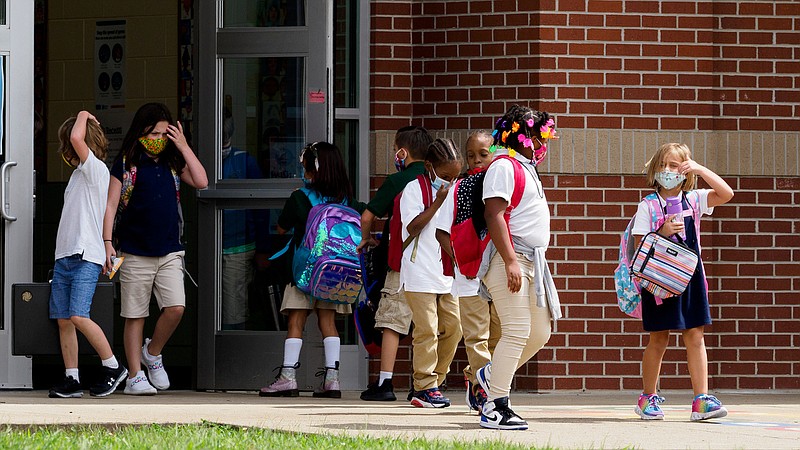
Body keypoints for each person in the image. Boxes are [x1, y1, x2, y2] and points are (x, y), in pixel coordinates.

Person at [102, 103, 208, 395]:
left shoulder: (172, 161)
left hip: (170, 251)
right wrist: (108, 243)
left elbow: (201, 181)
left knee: (176, 307)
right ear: (141, 132)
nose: (159, 138)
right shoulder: (126, 163)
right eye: (154, 133)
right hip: (133, 251)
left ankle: (153, 353)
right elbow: (110, 207)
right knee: (135, 315)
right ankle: (135, 376)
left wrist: (184, 146)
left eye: (165, 133)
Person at [633, 143, 734, 421]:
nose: (668, 171)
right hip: (659, 281)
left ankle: (701, 400)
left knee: (695, 335)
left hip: (690, 278)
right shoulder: (649, 205)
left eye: (675, 165)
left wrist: (701, 169)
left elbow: (726, 193)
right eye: (663, 165)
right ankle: (647, 397)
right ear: (655, 169)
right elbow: (639, 243)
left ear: (685, 170)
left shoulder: (695, 199)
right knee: (659, 338)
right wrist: (662, 231)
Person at [477, 105, 562, 430]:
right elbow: (494, 214)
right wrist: (511, 260)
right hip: (509, 260)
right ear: (519, 136)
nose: (541, 143)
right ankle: (495, 406)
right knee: (515, 330)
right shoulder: (503, 166)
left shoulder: (526, 167)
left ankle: (489, 375)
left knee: (540, 332)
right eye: (536, 136)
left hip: (531, 263)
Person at [259, 142, 364, 398]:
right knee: (328, 322)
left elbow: (282, 228)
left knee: (296, 321)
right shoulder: (348, 201)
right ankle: (333, 380)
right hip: (334, 274)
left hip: (302, 273)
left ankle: (288, 378)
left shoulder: (299, 197)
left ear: (313, 170)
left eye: (306, 166)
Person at [48, 111, 128, 398]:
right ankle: (72, 377)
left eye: (68, 147)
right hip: (66, 256)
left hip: (85, 256)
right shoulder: (77, 176)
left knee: (78, 315)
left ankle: (113, 366)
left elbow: (75, 135)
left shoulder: (95, 168)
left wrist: (82, 115)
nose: (66, 150)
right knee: (64, 319)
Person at [356, 126, 432, 401]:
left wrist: (366, 239)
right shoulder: (438, 179)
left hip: (401, 263)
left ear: (403, 152)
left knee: (392, 321)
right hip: (434, 265)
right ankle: (426, 382)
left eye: (395, 150)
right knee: (428, 324)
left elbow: (367, 216)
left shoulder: (398, 180)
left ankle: (385, 383)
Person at [435, 130, 501, 412]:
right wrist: (461, 261)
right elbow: (441, 233)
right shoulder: (457, 190)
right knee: (477, 335)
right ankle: (481, 389)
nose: (477, 161)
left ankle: (479, 376)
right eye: (471, 156)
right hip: (470, 276)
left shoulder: (502, 186)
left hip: (497, 275)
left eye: (483, 155)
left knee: (500, 334)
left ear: (495, 153)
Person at [401, 137, 463, 408]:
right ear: (429, 167)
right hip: (419, 270)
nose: (451, 181)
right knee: (427, 329)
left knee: (455, 328)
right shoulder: (414, 190)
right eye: (446, 176)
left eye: (456, 176)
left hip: (447, 272)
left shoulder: (457, 191)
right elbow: (412, 228)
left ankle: (433, 381)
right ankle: (424, 385)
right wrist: (438, 203)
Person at [220, 113, 269, 330]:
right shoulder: (198, 158)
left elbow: (261, 208)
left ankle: (233, 353)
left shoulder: (244, 161)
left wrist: (263, 249)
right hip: (209, 244)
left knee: (233, 307)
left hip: (238, 246)